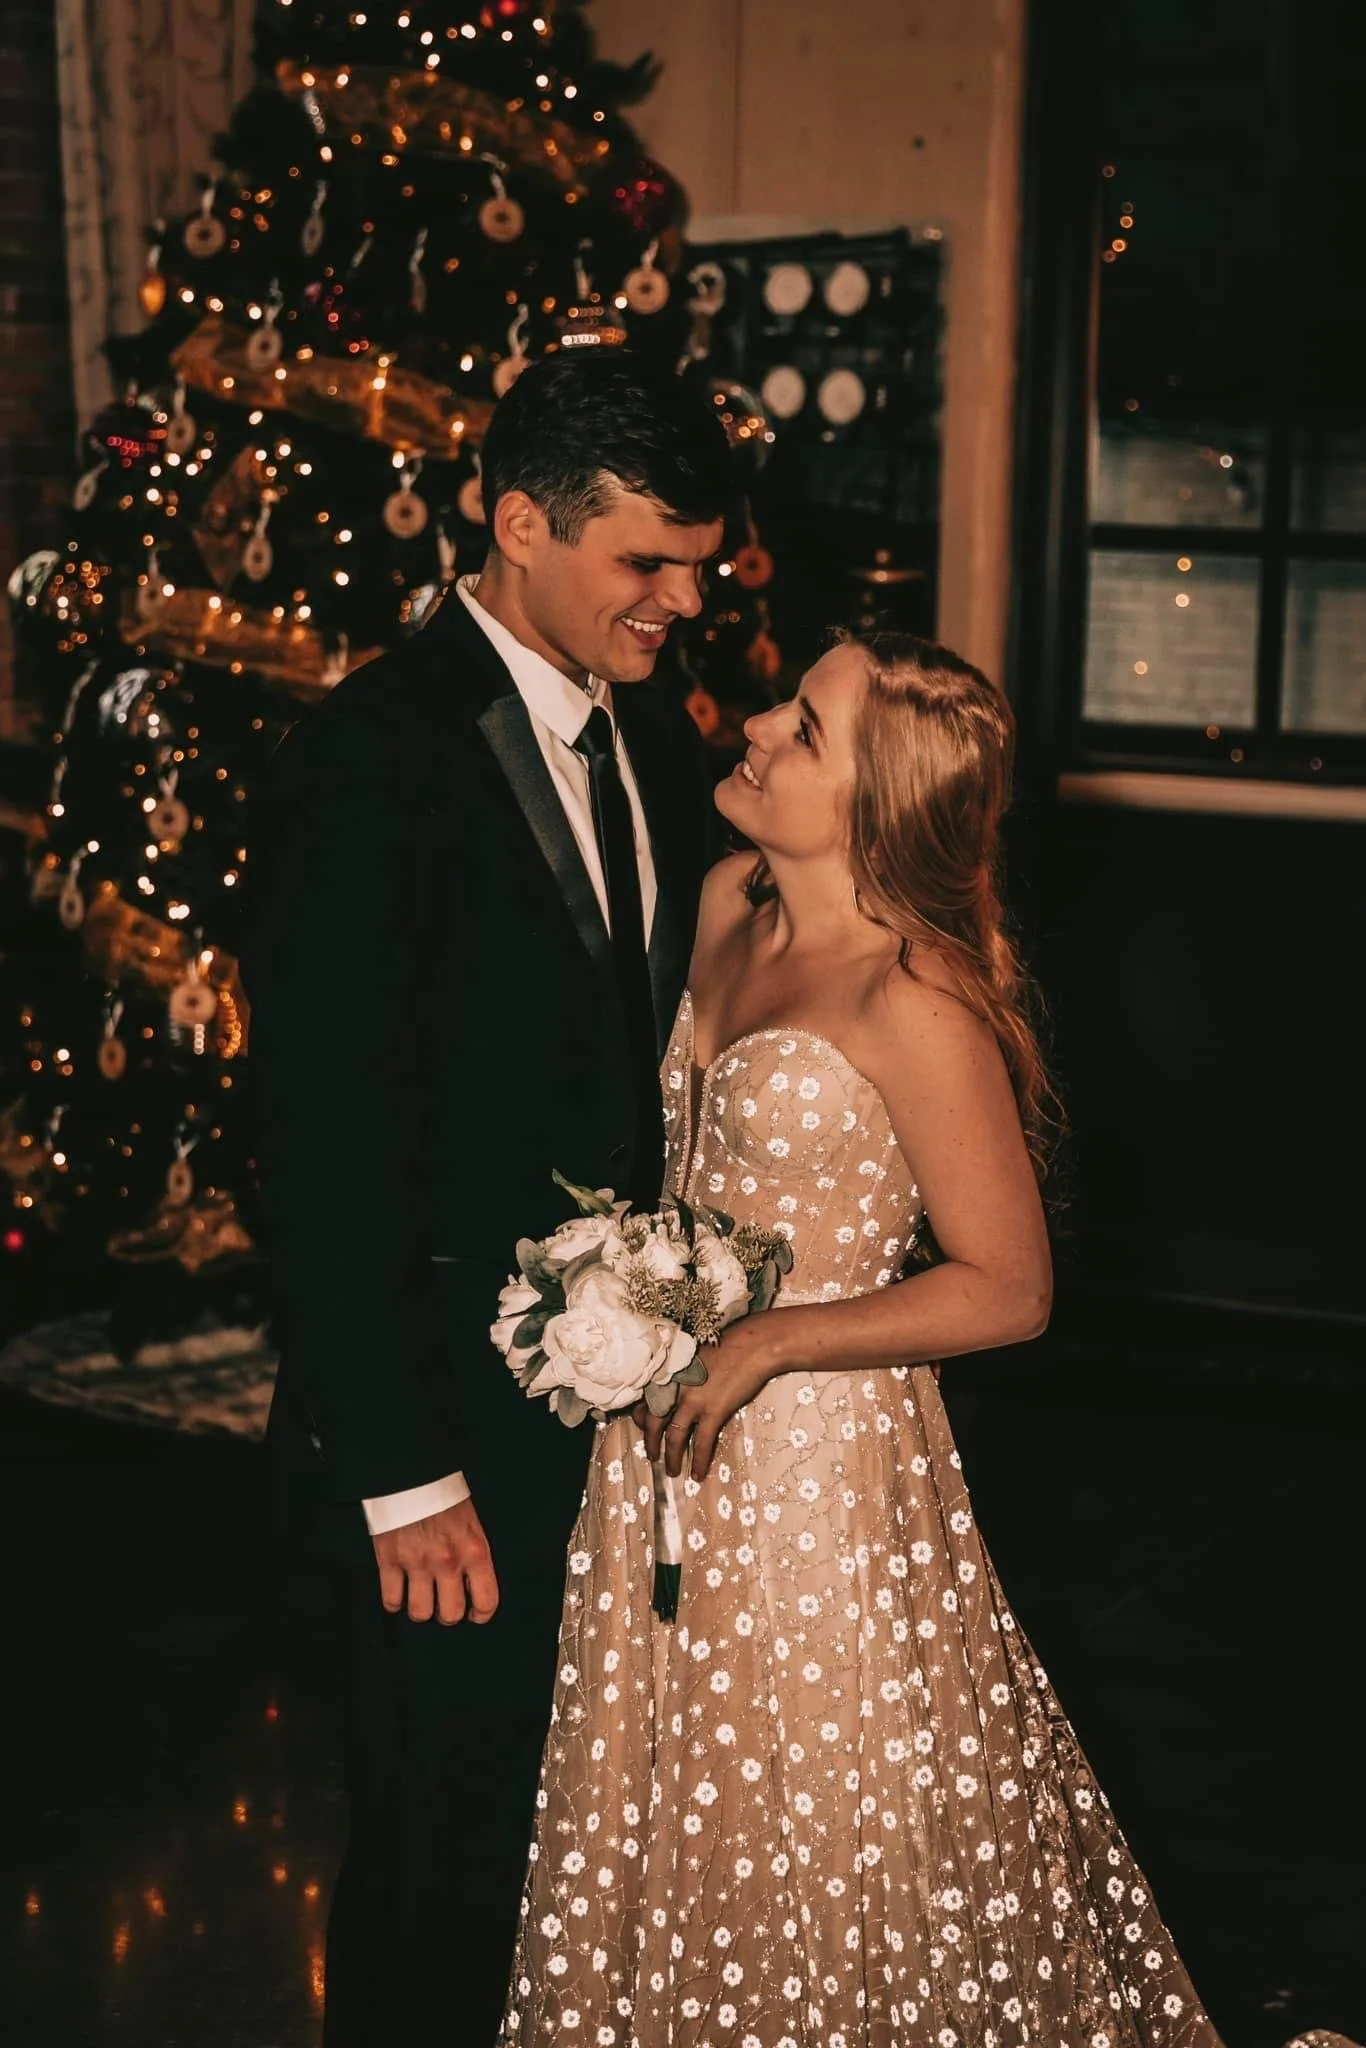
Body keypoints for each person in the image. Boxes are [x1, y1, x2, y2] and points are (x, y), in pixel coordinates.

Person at [502, 633, 1225, 2047]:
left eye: (806, 729)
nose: (758, 725)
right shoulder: (721, 902)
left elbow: (1008, 1288)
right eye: (786, 705)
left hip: (822, 1476)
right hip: (657, 1446)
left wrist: (774, 1339)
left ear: (878, 803)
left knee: (824, 1804)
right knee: (664, 1788)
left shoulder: (918, 1002)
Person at [240, 348, 732, 2045]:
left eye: (697, 561)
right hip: (443, 1438)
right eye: (645, 564)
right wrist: (401, 1475)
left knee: (578, 1852)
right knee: (441, 1864)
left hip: (627, 1425)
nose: (685, 598)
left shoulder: (661, 742)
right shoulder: (364, 756)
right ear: (521, 523)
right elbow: (318, 1143)